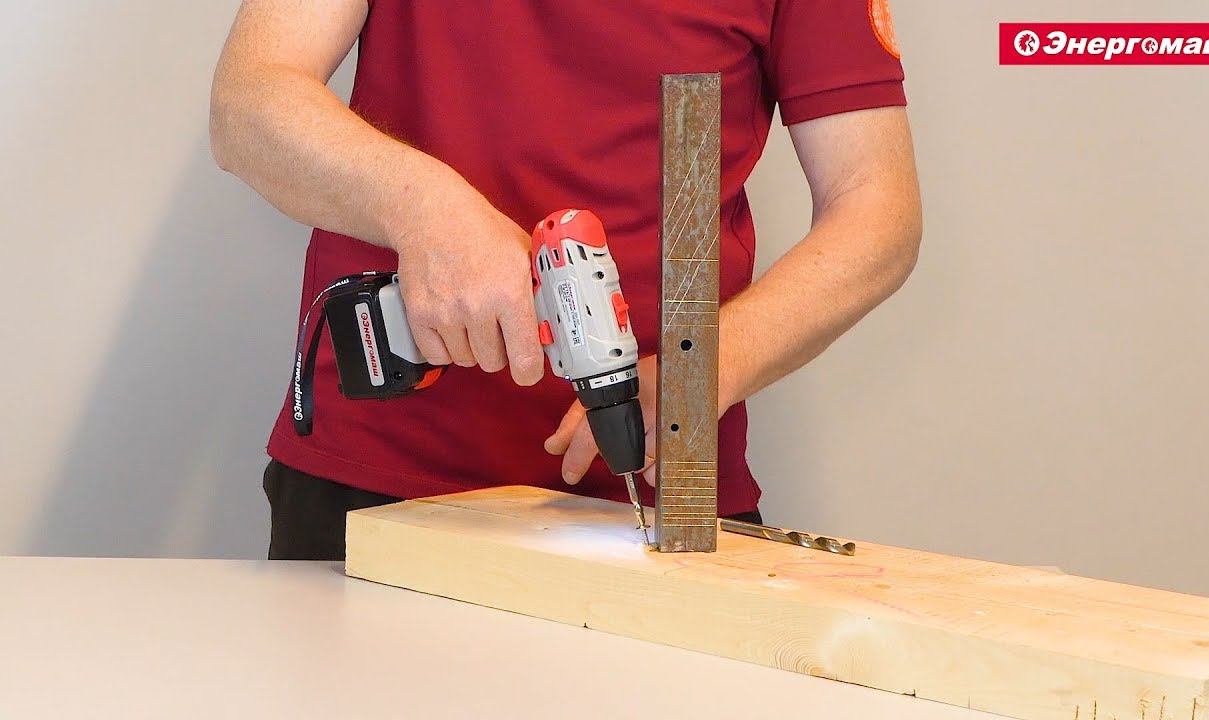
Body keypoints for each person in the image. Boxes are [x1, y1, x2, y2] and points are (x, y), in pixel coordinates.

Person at [210, 0, 922, 560]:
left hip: (661, 499)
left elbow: (876, 210)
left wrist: (702, 369)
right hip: (376, 483)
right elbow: (247, 102)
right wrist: (428, 210)